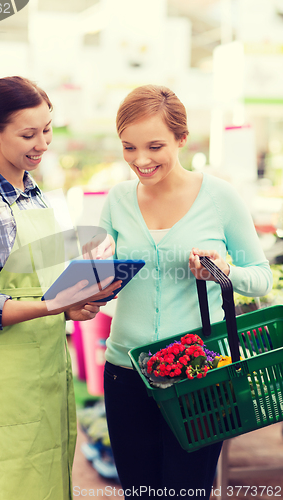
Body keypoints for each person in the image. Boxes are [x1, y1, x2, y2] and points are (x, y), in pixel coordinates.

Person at [97, 85, 273, 499]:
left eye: (154, 146)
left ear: (181, 138)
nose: (140, 160)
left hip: (199, 374)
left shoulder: (219, 198)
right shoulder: (117, 200)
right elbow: (101, 279)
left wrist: (223, 269)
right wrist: (91, 282)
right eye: (128, 147)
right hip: (126, 371)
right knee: (139, 493)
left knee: (185, 493)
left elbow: (261, 277)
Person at [0, 76, 121, 500]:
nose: (42, 143)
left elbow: (36, 282)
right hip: (3, 386)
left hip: (45, 377)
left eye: (47, 129)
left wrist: (78, 298)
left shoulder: (36, 194)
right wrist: (53, 306)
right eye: (28, 134)